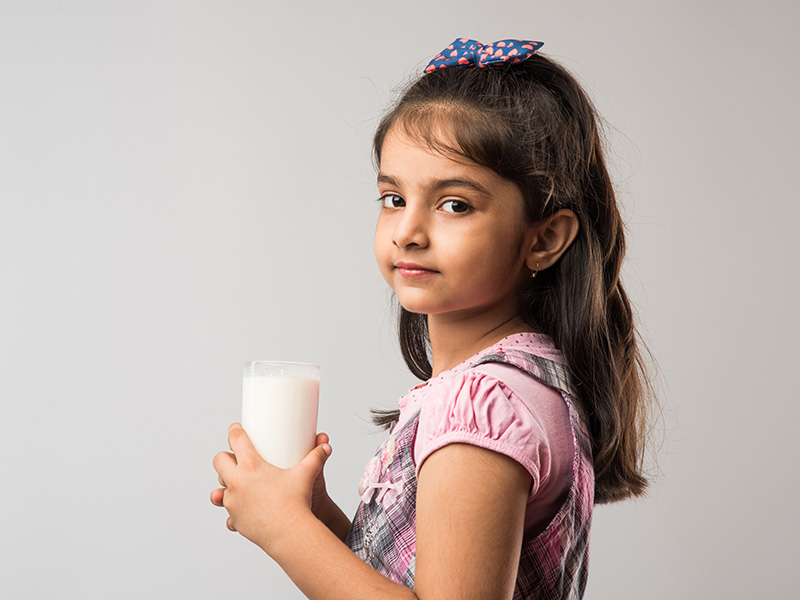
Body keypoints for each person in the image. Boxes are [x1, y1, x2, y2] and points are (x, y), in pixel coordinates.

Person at [211, 37, 654, 600]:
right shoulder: (522, 383)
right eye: (393, 198)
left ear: (544, 239)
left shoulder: (479, 409)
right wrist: (314, 515)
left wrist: (285, 529)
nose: (408, 231)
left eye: (454, 205)